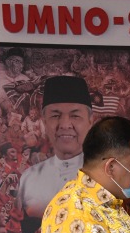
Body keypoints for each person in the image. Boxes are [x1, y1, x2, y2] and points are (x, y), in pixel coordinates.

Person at [16, 74, 94, 221]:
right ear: (44, 121)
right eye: (55, 116)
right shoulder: (29, 178)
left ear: (90, 121)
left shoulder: (108, 178)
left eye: (75, 116)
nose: (65, 125)